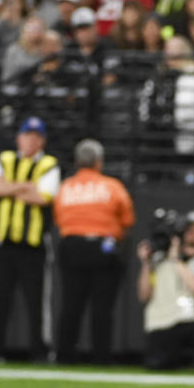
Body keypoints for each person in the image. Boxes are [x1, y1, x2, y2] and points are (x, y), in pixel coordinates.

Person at [0, 117, 60, 362]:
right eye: (28, 135)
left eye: (37, 136)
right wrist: (26, 186)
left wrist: (11, 187)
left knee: (35, 300)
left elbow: (43, 197)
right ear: (19, 138)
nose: (31, 140)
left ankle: (39, 351)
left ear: (43, 141)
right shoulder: (5, 159)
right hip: (4, 242)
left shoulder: (49, 164)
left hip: (33, 245)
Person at [53, 139, 135, 364]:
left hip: (72, 246)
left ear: (77, 161)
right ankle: (102, 357)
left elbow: (59, 218)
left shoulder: (66, 186)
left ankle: (64, 355)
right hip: (103, 247)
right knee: (103, 306)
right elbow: (127, 219)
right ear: (99, 162)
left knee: (71, 304)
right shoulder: (112, 186)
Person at [137, 209, 194, 369]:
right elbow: (144, 295)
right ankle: (181, 358)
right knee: (157, 364)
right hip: (164, 321)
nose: (193, 234)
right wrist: (146, 263)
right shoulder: (158, 262)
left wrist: (176, 260)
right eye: (190, 230)